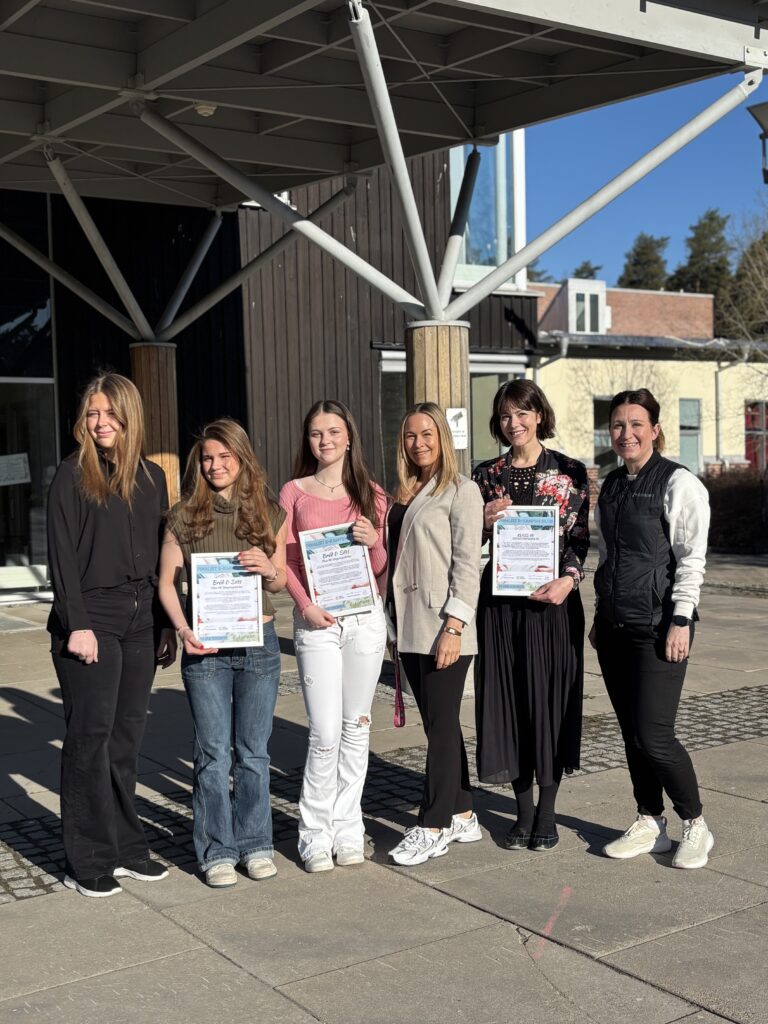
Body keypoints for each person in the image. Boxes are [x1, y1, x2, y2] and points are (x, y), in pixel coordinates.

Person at [47, 372, 176, 898]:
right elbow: (60, 560)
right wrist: (76, 624)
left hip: (141, 618)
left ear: (129, 417)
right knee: (89, 741)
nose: (101, 422)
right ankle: (90, 857)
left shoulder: (151, 477)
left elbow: (164, 556)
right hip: (92, 619)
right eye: (93, 413)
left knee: (125, 742)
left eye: (110, 413)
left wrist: (168, 621)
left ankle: (126, 846)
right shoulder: (71, 476)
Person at [159, 418, 287, 888]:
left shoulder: (268, 512)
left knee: (253, 753)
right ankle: (216, 849)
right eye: (207, 458)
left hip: (260, 644)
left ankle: (255, 844)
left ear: (242, 458)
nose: (215, 465)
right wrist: (181, 628)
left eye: (224, 457)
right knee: (213, 754)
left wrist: (267, 568)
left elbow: (281, 581)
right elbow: (166, 583)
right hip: (206, 649)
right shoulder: (182, 516)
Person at [590, 388, 713, 869]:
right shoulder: (614, 486)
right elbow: (610, 558)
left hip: (660, 627)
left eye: (636, 424)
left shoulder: (679, 483)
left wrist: (681, 619)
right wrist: (602, 613)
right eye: (618, 425)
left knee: (654, 733)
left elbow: (692, 560)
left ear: (655, 430)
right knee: (630, 733)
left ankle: (696, 823)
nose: (626, 433)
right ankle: (650, 821)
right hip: (615, 626)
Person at [473, 380, 589, 852]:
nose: (513, 423)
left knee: (548, 704)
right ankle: (521, 813)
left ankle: (547, 811)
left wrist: (570, 579)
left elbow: (580, 540)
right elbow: (468, 543)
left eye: (522, 413)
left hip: (552, 606)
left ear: (539, 414)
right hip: (500, 607)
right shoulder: (486, 475)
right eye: (504, 416)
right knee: (510, 703)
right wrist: (481, 523)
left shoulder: (570, 471)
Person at [280, 400, 388, 872]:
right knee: (323, 732)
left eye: (333, 432)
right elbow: (284, 560)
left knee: (356, 727)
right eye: (316, 433)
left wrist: (374, 542)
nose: (324, 441)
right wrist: (306, 606)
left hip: (363, 621)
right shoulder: (293, 493)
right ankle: (313, 833)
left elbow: (381, 569)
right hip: (317, 622)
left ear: (349, 437)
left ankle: (349, 828)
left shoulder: (371, 493)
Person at [387, 402, 484, 866]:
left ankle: (433, 824)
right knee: (438, 726)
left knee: (442, 727)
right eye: (410, 435)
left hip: (444, 627)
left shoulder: (461, 491)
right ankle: (464, 811)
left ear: (442, 437)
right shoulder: (404, 493)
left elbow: (468, 564)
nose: (418, 442)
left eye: (427, 434)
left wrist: (455, 626)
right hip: (409, 627)